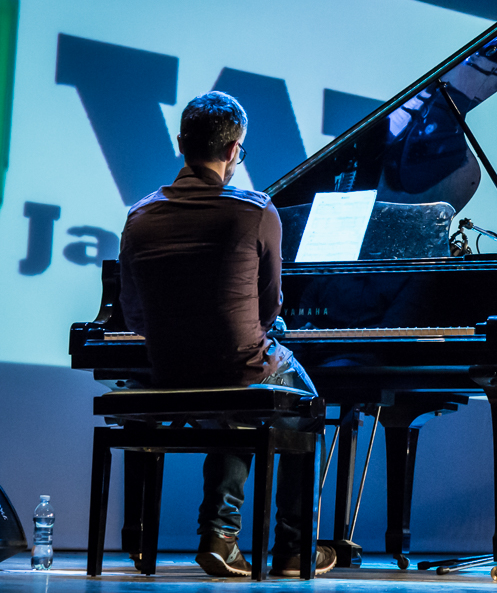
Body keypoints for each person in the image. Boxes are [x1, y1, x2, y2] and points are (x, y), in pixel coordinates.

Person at [118, 91, 336, 577]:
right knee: (303, 400)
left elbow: (135, 316)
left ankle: (220, 536)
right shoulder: (256, 211)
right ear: (235, 150)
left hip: (169, 370)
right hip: (238, 368)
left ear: (181, 143)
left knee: (238, 401)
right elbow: (269, 306)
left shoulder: (139, 215)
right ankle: (295, 547)